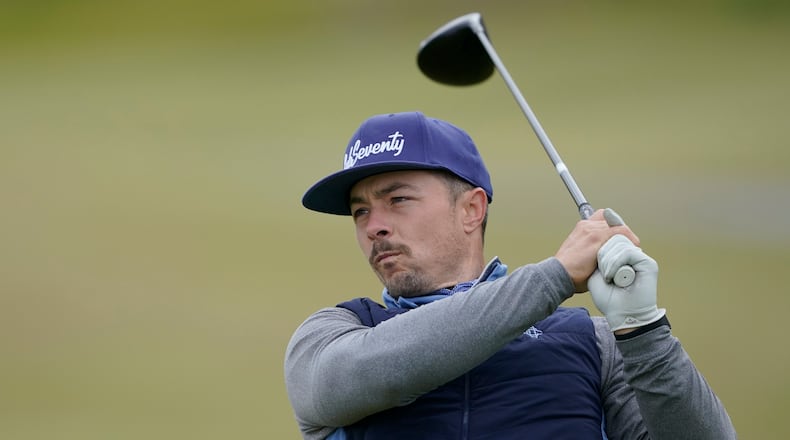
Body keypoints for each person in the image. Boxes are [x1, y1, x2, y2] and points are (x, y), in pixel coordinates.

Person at [284, 111, 735, 439]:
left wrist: (644, 332)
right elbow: (379, 374)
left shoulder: (592, 345)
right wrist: (555, 277)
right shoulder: (337, 334)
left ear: (471, 209)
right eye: (360, 210)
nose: (373, 225)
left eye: (397, 199)